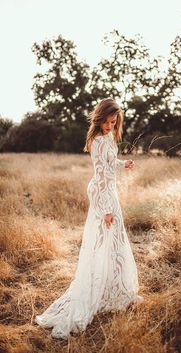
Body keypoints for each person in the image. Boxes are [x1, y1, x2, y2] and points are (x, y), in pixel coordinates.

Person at [34, 97, 143, 340]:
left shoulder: (108, 138)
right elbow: (100, 174)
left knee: (115, 242)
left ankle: (116, 289)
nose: (109, 126)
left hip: (110, 194)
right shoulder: (97, 141)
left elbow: (109, 163)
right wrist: (104, 208)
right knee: (103, 243)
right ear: (99, 118)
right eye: (105, 121)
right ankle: (98, 290)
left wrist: (123, 163)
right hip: (102, 196)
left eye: (113, 122)